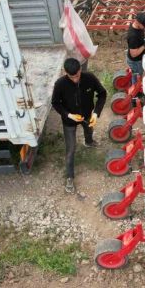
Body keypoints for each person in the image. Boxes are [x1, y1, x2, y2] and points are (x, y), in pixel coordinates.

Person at [51, 58, 107, 193]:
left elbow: (102, 94)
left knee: (89, 130)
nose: (75, 79)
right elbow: (55, 103)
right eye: (72, 77)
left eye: (77, 76)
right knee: (70, 149)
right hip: (69, 120)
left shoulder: (89, 78)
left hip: (87, 115)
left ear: (80, 70)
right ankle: (69, 177)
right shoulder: (60, 84)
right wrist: (68, 115)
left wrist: (95, 113)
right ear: (65, 72)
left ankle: (89, 142)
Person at [126, 11, 145, 84]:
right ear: (137, 22)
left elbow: (141, 34)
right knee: (137, 76)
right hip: (135, 61)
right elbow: (134, 54)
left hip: (139, 58)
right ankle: (135, 90)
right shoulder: (133, 36)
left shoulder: (137, 27)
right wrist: (144, 45)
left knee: (136, 74)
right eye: (144, 25)